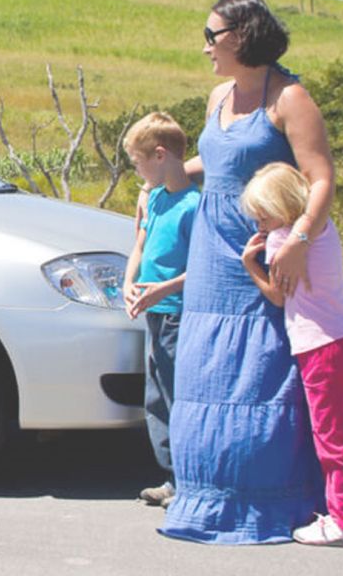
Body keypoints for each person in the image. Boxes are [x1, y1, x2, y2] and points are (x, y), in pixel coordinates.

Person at [160, 0, 336, 544]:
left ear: (242, 35)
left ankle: (266, 501)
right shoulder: (218, 95)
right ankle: (206, 498)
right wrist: (162, 174)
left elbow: (322, 179)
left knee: (262, 375)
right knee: (204, 373)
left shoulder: (289, 97)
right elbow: (216, 161)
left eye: (213, 35)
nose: (206, 46)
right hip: (211, 256)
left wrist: (300, 241)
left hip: (264, 253)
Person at [240, 163, 343, 547]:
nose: (259, 222)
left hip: (317, 347)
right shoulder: (323, 230)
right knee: (342, 432)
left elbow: (279, 296)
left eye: (263, 213)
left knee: (331, 438)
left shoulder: (283, 241)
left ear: (283, 204)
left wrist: (251, 265)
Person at [120, 111, 200, 509]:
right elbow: (140, 245)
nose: (137, 171)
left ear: (160, 155)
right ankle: (170, 475)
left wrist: (161, 290)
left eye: (138, 162)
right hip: (151, 309)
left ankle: (188, 480)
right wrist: (129, 282)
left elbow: (200, 268)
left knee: (176, 395)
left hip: (176, 311)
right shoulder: (153, 198)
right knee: (155, 396)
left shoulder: (192, 205)